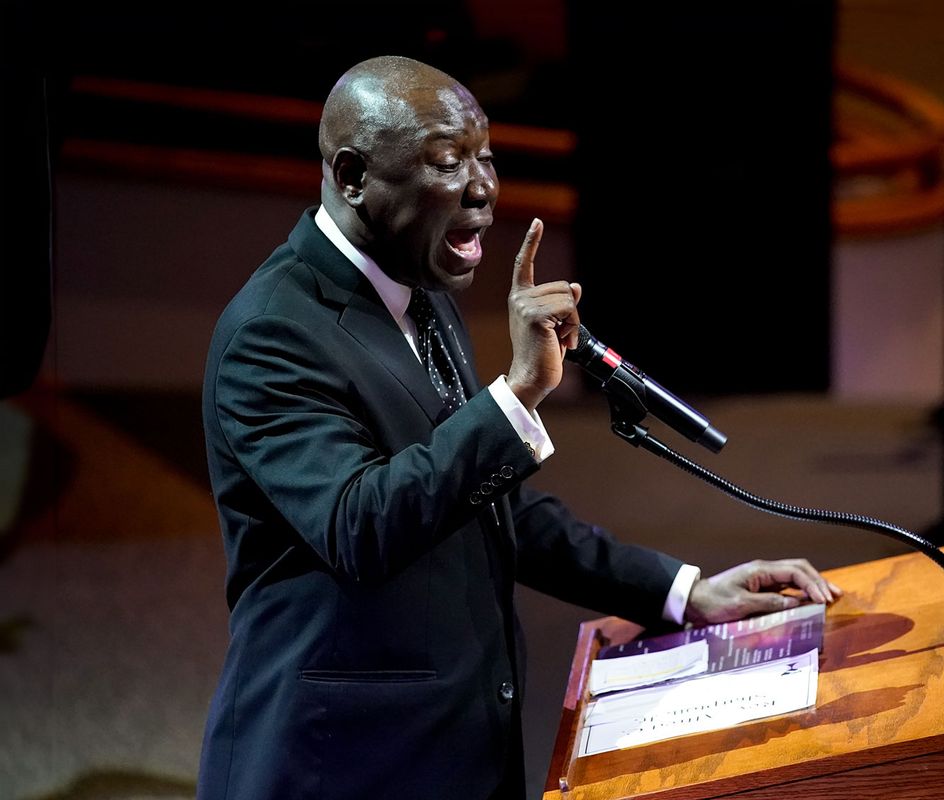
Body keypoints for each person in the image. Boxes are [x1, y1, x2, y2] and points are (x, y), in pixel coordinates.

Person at [196, 55, 841, 800]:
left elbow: (483, 507)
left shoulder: (418, 291)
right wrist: (515, 394)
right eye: (447, 162)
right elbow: (360, 524)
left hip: (451, 752)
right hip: (338, 765)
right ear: (351, 177)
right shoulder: (273, 334)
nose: (482, 188)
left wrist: (681, 591)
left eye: (487, 157)